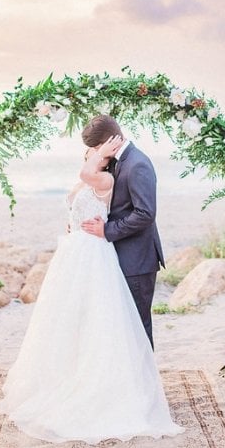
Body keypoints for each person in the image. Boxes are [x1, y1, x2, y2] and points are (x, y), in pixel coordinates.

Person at [0, 133, 183, 444]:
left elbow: (141, 211)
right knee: (77, 322)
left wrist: (101, 155)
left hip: (97, 252)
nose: (93, 153)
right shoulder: (96, 175)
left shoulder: (106, 176)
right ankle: (79, 379)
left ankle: (138, 394)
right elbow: (79, 197)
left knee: (127, 325)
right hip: (75, 254)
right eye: (92, 150)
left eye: (97, 148)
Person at [81, 115, 164, 349]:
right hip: (121, 257)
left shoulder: (137, 164)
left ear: (110, 142)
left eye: (97, 147)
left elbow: (145, 213)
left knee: (138, 325)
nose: (98, 152)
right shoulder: (118, 161)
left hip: (137, 260)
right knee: (124, 326)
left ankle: (145, 383)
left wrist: (106, 230)